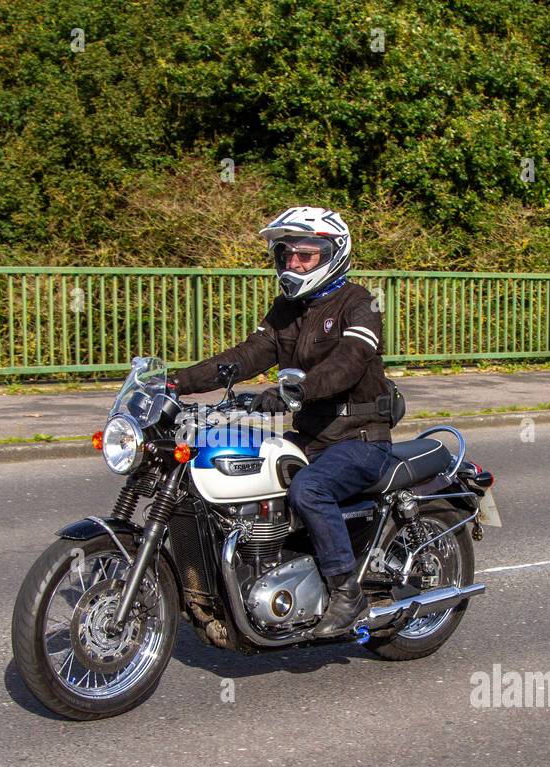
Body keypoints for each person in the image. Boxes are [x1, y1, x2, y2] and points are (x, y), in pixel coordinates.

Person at [169, 206, 396, 638]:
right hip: (309, 438)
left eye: (305, 256)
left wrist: (298, 390)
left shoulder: (361, 303)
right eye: (287, 255)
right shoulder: (286, 311)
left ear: (333, 254)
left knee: (309, 489)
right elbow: (243, 358)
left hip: (361, 439)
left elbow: (349, 363)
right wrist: (177, 381)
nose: (294, 263)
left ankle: (346, 592)